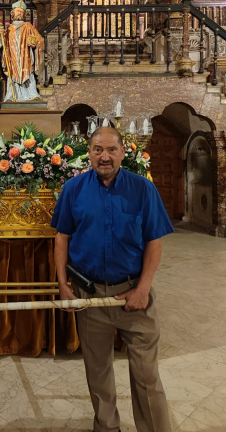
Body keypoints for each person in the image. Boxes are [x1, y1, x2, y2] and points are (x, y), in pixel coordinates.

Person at [52, 127, 173, 432]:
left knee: (147, 376)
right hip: (89, 295)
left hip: (134, 294)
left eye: (110, 150)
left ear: (122, 151)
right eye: (97, 150)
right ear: (88, 153)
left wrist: (142, 288)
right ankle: (107, 427)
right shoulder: (73, 189)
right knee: (98, 372)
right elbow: (62, 237)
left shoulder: (143, 189)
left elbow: (154, 242)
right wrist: (64, 286)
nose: (104, 157)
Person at [0, 0, 44, 102]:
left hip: (25, 55)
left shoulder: (28, 26)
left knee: (27, 74)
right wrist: (0, 35)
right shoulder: (8, 28)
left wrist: (35, 43)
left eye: (21, 11)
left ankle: (32, 94)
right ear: (12, 13)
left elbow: (40, 39)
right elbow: (2, 45)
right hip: (12, 55)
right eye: (17, 11)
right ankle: (11, 96)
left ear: (24, 14)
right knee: (12, 75)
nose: (19, 13)